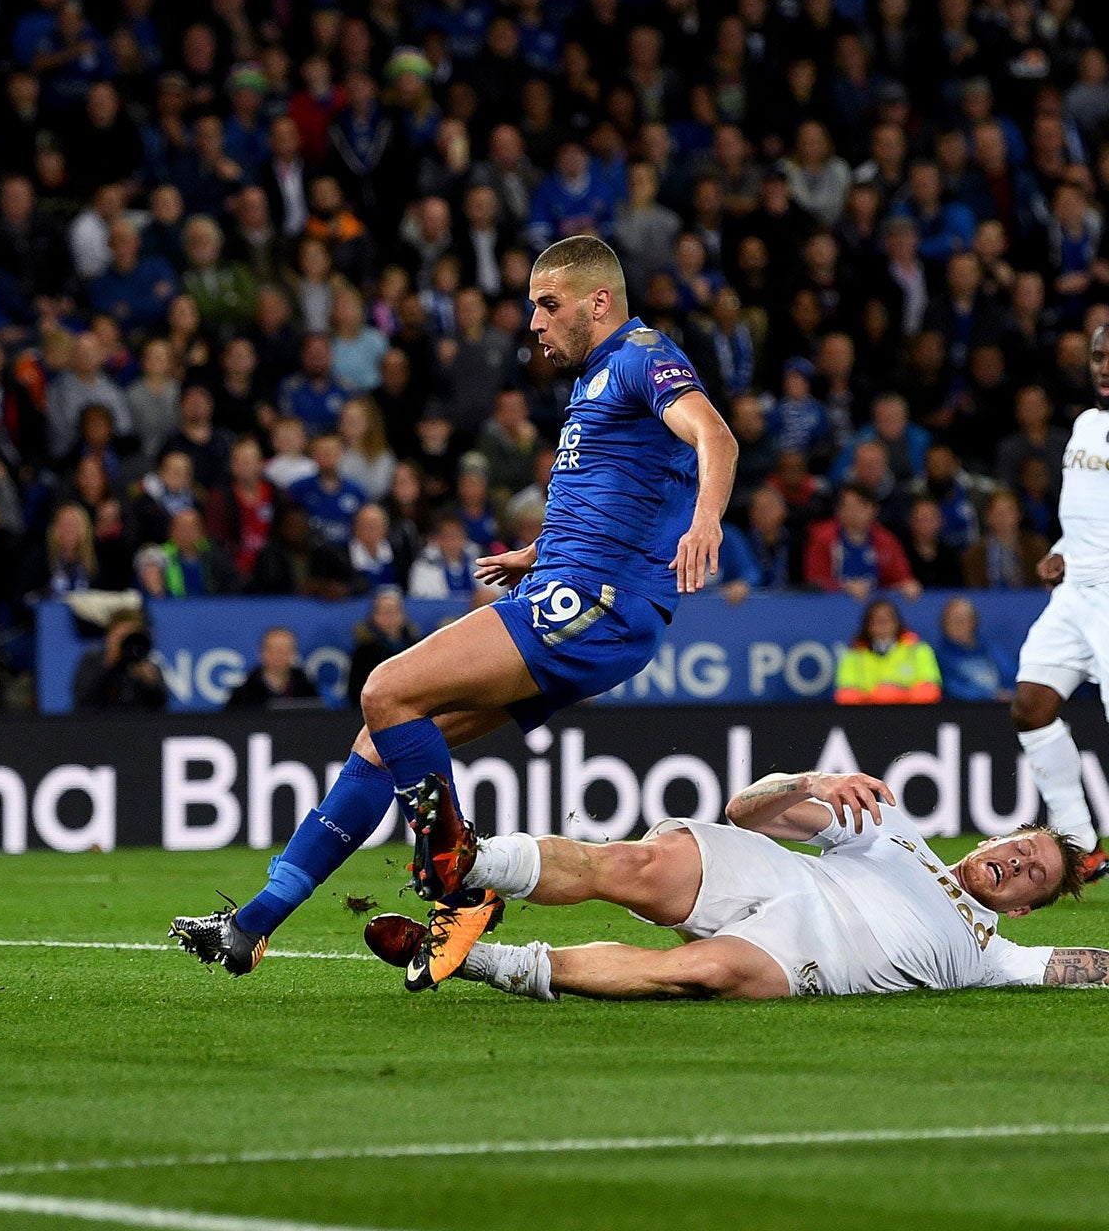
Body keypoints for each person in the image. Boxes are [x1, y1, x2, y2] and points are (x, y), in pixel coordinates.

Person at [174, 235, 736, 974]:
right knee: (382, 739)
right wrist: (537, 553)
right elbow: (624, 493)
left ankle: (459, 886)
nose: (534, 323)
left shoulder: (639, 356)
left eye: (548, 304)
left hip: (592, 603)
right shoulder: (597, 377)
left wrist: (707, 522)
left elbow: (713, 436)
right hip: (566, 587)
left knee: (387, 688)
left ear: (599, 301)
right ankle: (254, 923)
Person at [362, 769, 1101, 999]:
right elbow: (746, 811)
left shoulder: (995, 950)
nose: (1014, 863)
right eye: (1019, 847)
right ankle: (473, 861)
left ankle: (476, 958)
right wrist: (810, 781)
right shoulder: (891, 830)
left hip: (812, 951)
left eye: (1030, 873)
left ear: (1026, 905)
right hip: (780, 873)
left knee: (699, 969)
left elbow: (1091, 968)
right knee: (636, 866)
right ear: (992, 838)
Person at [1011, 325, 1109, 877]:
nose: (1104, 365)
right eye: (1098, 355)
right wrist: (1062, 549)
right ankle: (1079, 843)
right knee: (1031, 705)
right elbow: (1087, 513)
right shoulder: (1085, 424)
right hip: (1075, 595)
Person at [832, 597, 940, 705]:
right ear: (868, 626)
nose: (882, 625)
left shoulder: (918, 649)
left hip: (910, 714)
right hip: (866, 716)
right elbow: (844, 694)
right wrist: (877, 697)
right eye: (877, 621)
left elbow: (930, 689)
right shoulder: (854, 655)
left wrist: (897, 695)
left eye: (887, 620)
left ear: (897, 622)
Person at [73, 608, 168, 710]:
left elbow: (161, 706)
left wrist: (151, 684)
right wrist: (108, 664)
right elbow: (82, 699)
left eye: (130, 636)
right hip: (99, 722)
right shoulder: (93, 660)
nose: (125, 642)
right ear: (109, 636)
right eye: (121, 636)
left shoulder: (146, 663)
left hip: (137, 723)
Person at [935, 597, 1015, 704]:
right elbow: (950, 687)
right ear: (943, 624)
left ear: (974, 622)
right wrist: (990, 695)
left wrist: (1010, 693)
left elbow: (1011, 674)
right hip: (966, 712)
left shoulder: (990, 649)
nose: (957, 625)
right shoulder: (941, 656)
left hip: (1001, 709)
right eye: (951, 620)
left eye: (962, 620)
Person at [348, 586, 418, 701]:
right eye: (385, 612)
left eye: (393, 611)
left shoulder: (415, 649)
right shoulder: (363, 653)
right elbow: (355, 692)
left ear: (403, 615)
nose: (390, 618)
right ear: (374, 616)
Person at [226, 625, 321, 708]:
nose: (278, 655)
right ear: (262, 653)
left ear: (293, 654)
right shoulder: (242, 695)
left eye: (284, 650)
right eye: (272, 649)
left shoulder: (308, 691)